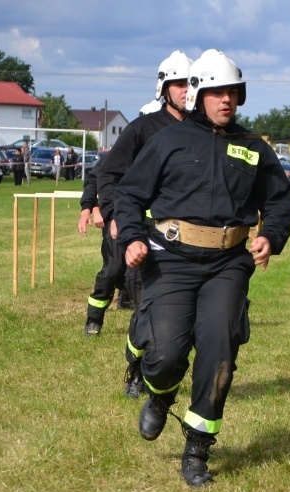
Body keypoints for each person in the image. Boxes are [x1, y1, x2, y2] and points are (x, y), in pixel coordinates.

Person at [114, 49, 290, 487]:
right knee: (166, 357)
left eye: (232, 92)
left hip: (228, 266)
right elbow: (130, 195)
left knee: (219, 355)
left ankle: (196, 451)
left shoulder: (254, 148)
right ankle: (159, 396)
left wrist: (271, 235)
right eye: (216, 92)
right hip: (170, 261)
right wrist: (134, 238)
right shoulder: (168, 140)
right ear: (198, 95)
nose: (226, 100)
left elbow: (279, 201)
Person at [87, 50, 192, 400]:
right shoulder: (142, 128)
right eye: (177, 83)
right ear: (163, 87)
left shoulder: (203, 130)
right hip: (148, 236)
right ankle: (137, 371)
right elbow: (109, 173)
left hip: (192, 243)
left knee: (185, 319)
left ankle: (161, 370)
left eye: (189, 83)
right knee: (148, 310)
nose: (184, 90)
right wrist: (115, 215)